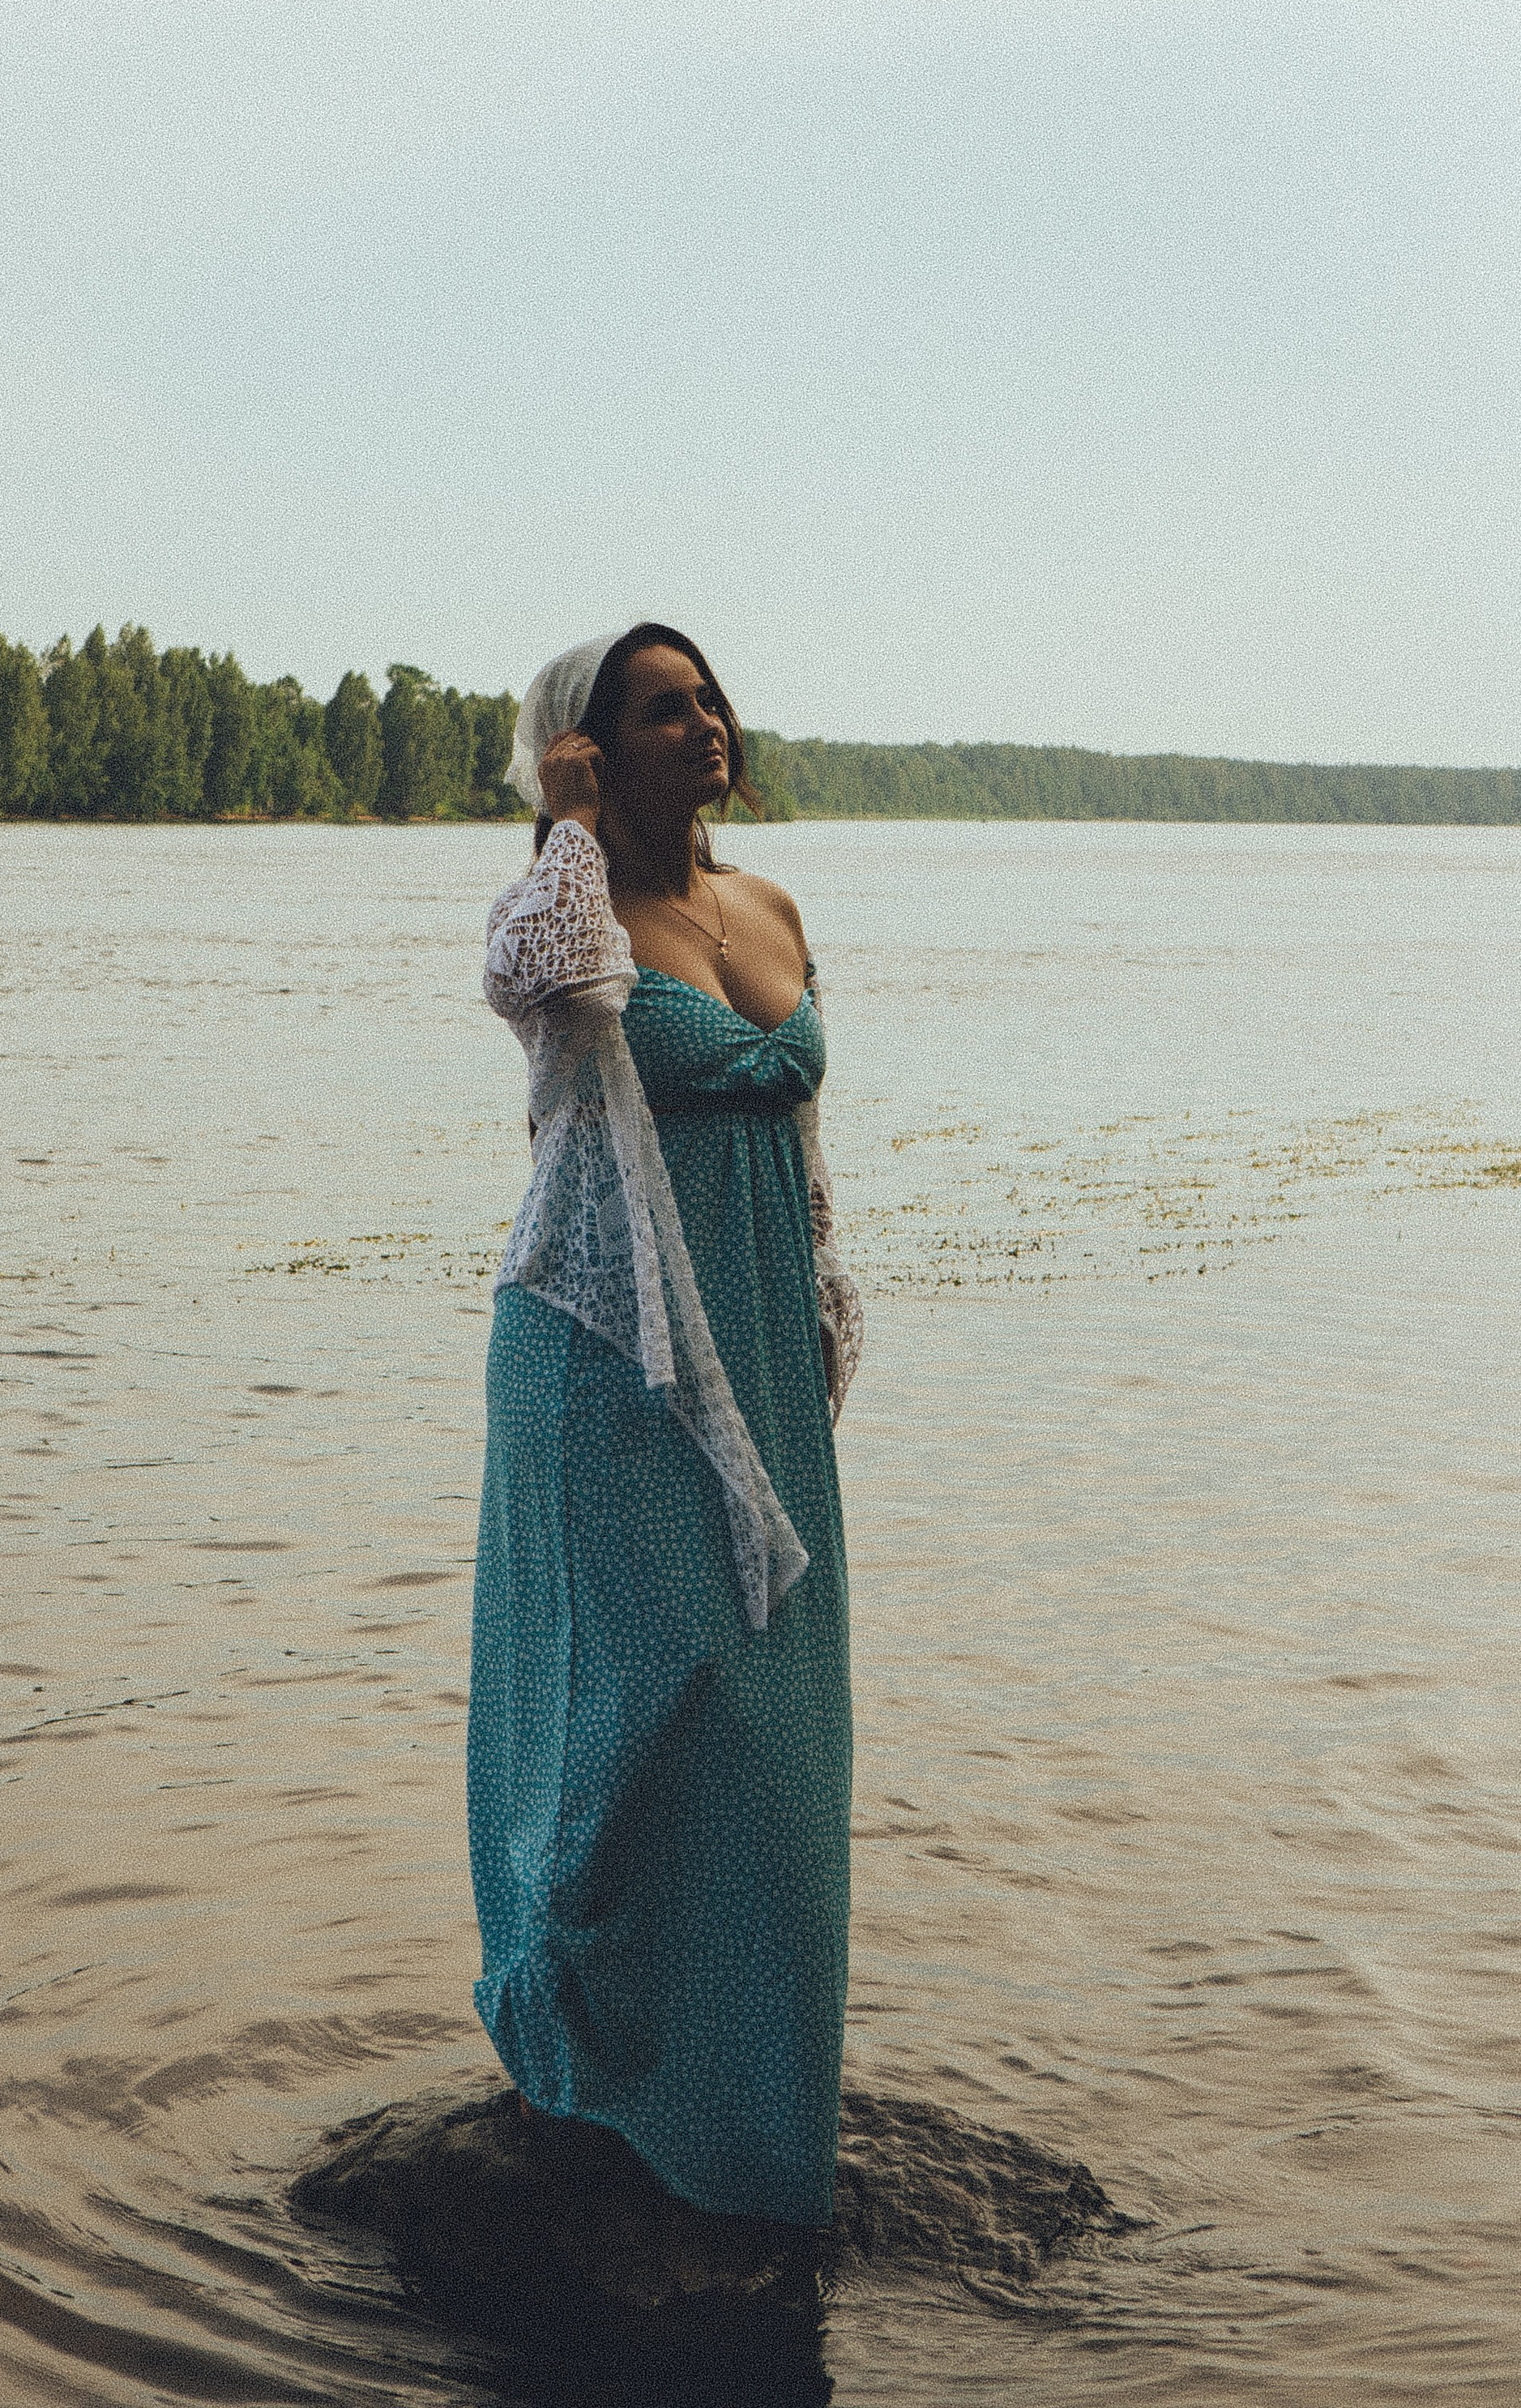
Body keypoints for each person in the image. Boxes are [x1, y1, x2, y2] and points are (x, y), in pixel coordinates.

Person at [467, 622, 861, 2226]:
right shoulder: (562, 910)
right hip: (602, 1360)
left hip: (754, 1350)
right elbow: (534, 983)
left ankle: (745, 2124)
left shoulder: (767, 908)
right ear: (587, 748)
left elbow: (803, 1129)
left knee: (770, 1745)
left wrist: (827, 1301)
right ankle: (584, 2072)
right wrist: (564, 827)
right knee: (642, 1717)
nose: (702, 722)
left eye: (704, 696)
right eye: (656, 709)